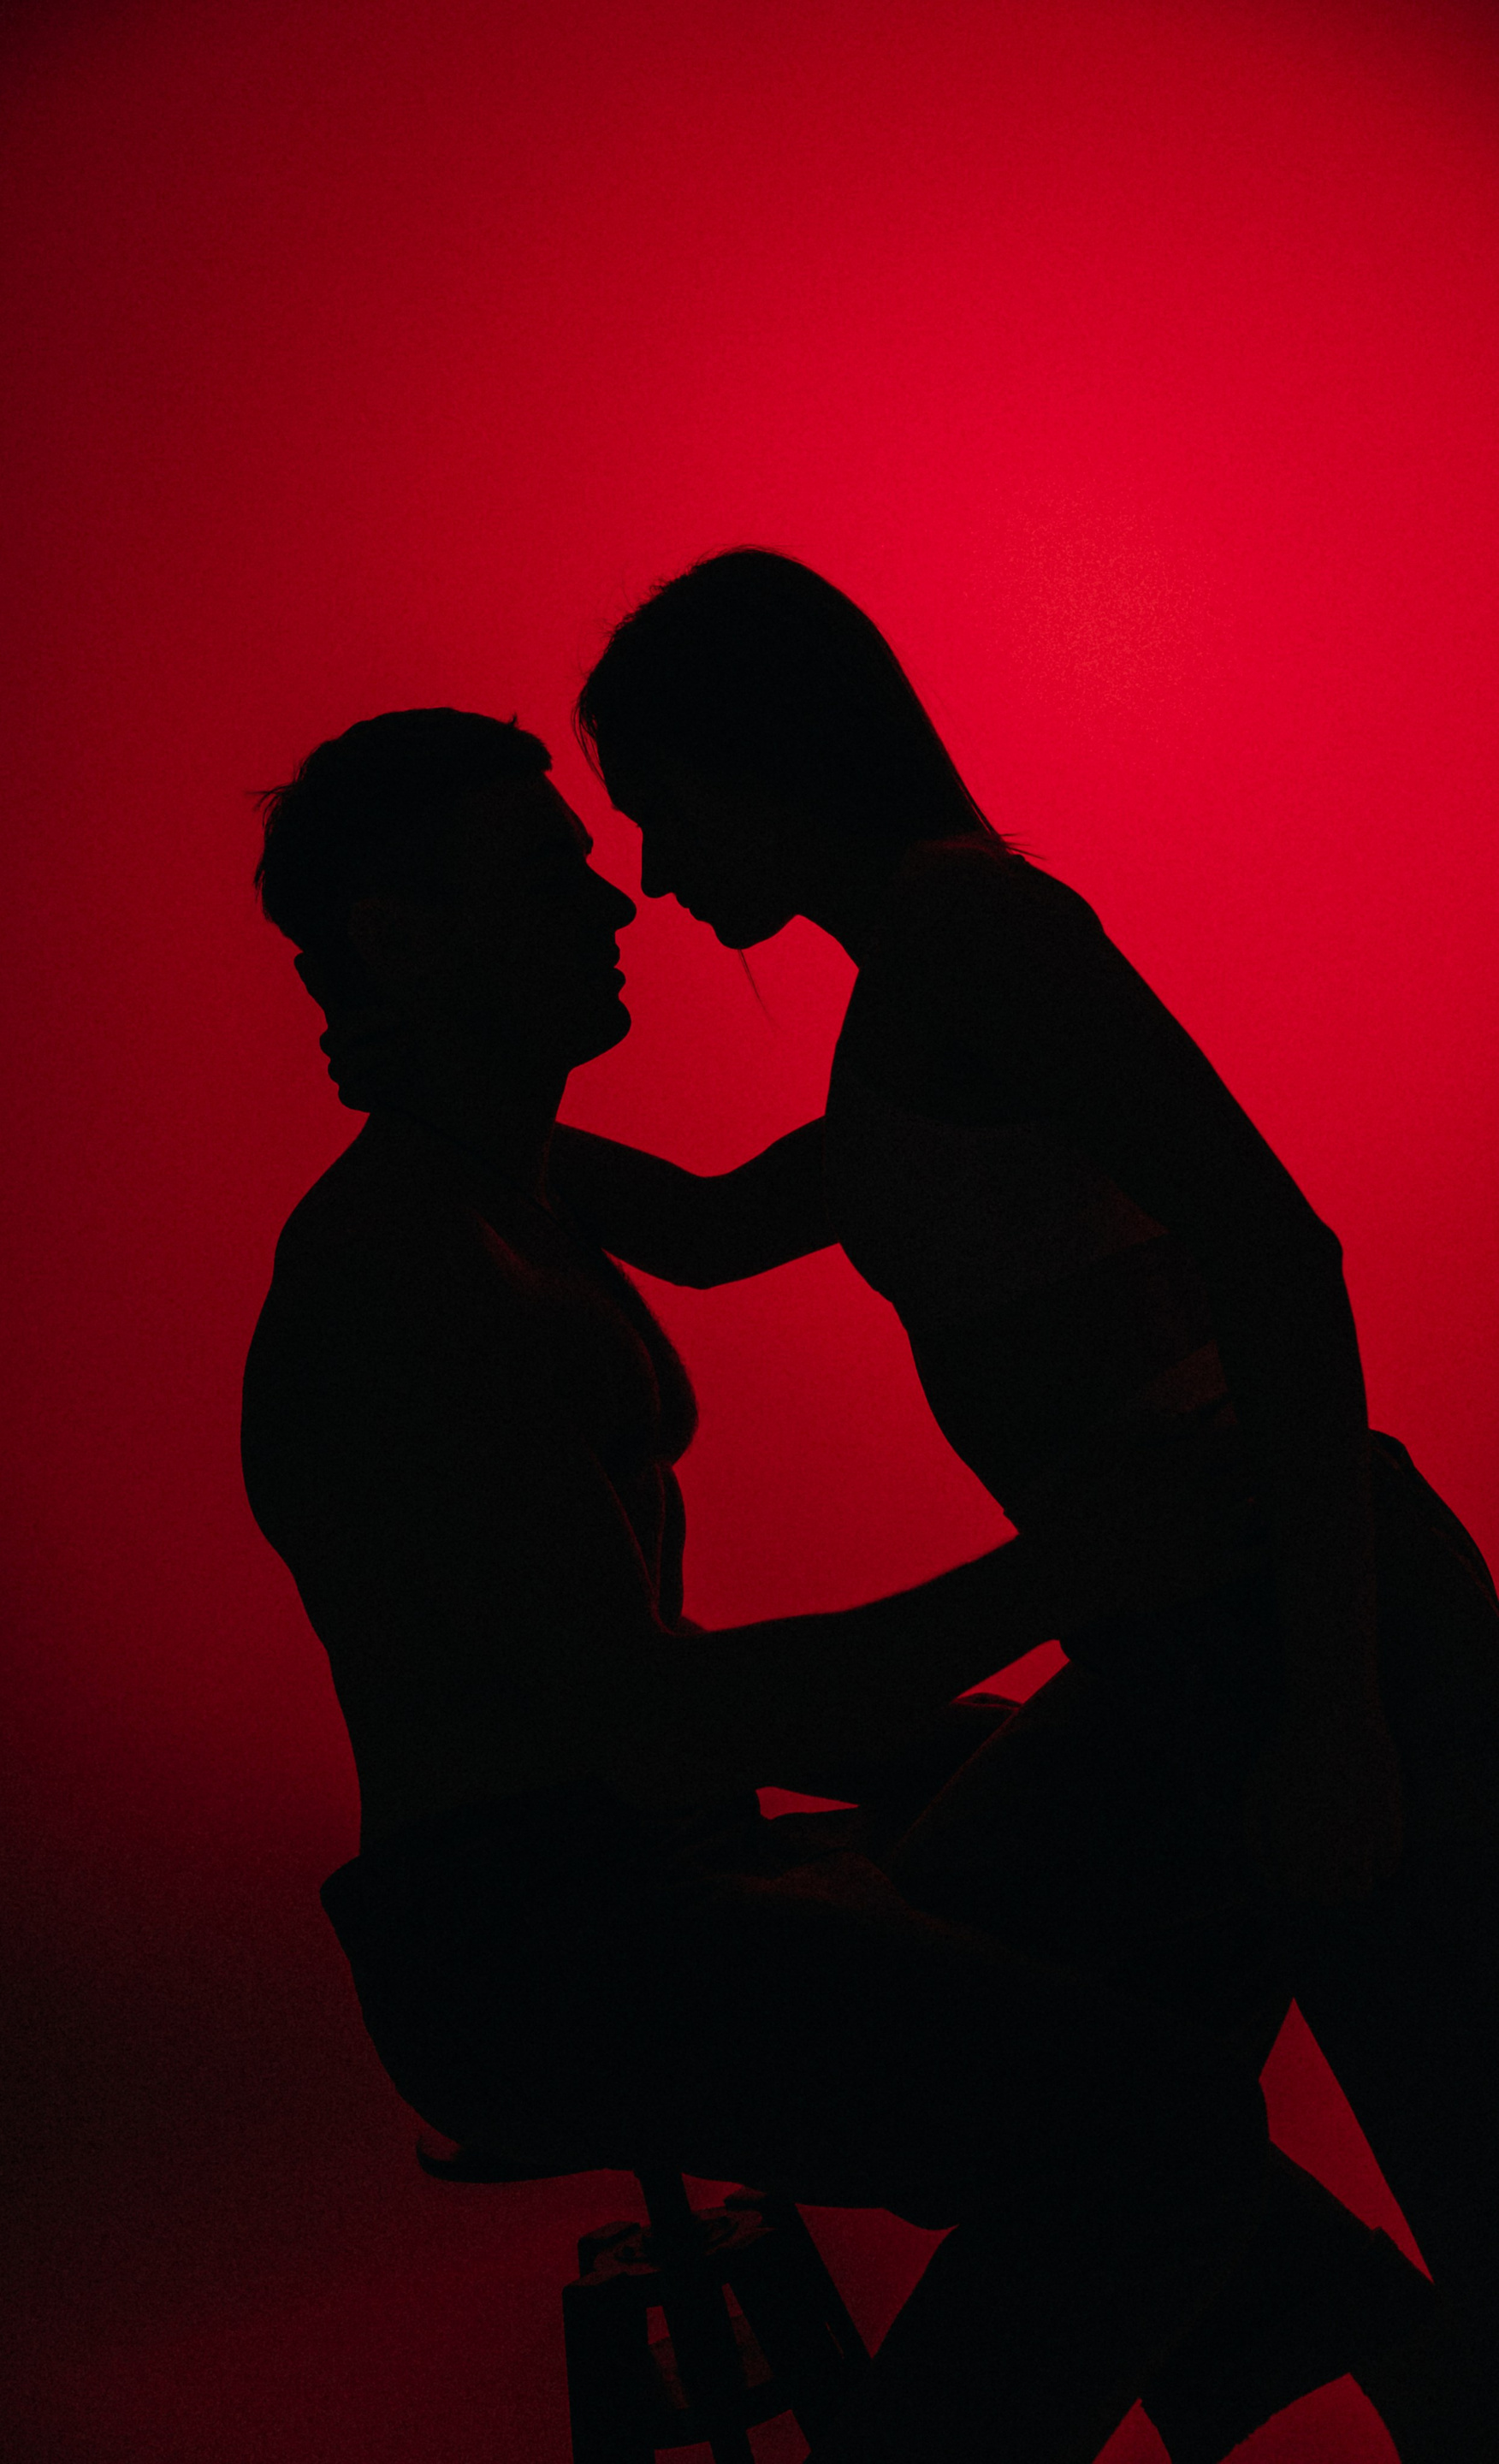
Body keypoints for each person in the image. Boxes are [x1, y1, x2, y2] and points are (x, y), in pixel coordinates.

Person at [246, 708, 1438, 2464]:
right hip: (547, 1953)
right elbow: (651, 1721)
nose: (618, 908)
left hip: (655, 1877)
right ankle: (1356, 2328)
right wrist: (1062, 1573)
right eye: (551, 878)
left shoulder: (517, 1204)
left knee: (1182, 1770)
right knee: (1157, 2131)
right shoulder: (403, 1279)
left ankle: (1353, 2330)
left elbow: (717, 1258)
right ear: (401, 938)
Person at [519, 547, 1495, 2452]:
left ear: (762, 756)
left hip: (1305, 1612)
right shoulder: (917, 982)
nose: (650, 868)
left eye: (659, 804)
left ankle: (1378, 2342)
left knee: (1429, 2130)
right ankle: (1363, 2337)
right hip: (1185, 1646)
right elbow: (714, 1228)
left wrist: (1338, 1710)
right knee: (1017, 2019)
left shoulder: (973, 934)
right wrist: (457, 1125)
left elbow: (1276, 1253)